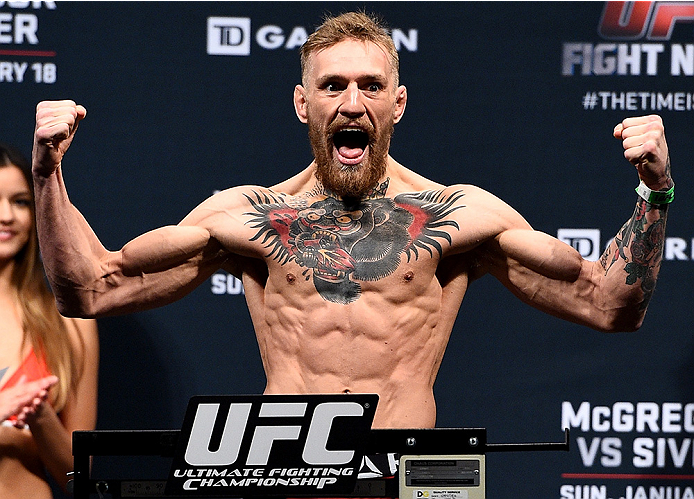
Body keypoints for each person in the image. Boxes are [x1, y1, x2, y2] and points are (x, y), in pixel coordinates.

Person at [31, 12, 671, 433]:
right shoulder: (250, 217)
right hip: (286, 468)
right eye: (333, 86)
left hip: (404, 473)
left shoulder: (459, 216)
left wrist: (656, 191)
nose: (352, 103)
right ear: (302, 104)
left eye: (370, 86)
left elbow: (610, 305)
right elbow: (89, 289)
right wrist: (47, 172)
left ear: (398, 102)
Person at [0, 142, 99, 499]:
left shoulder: (70, 320)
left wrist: (41, 420)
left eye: (20, 202)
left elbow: (79, 479)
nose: (6, 215)